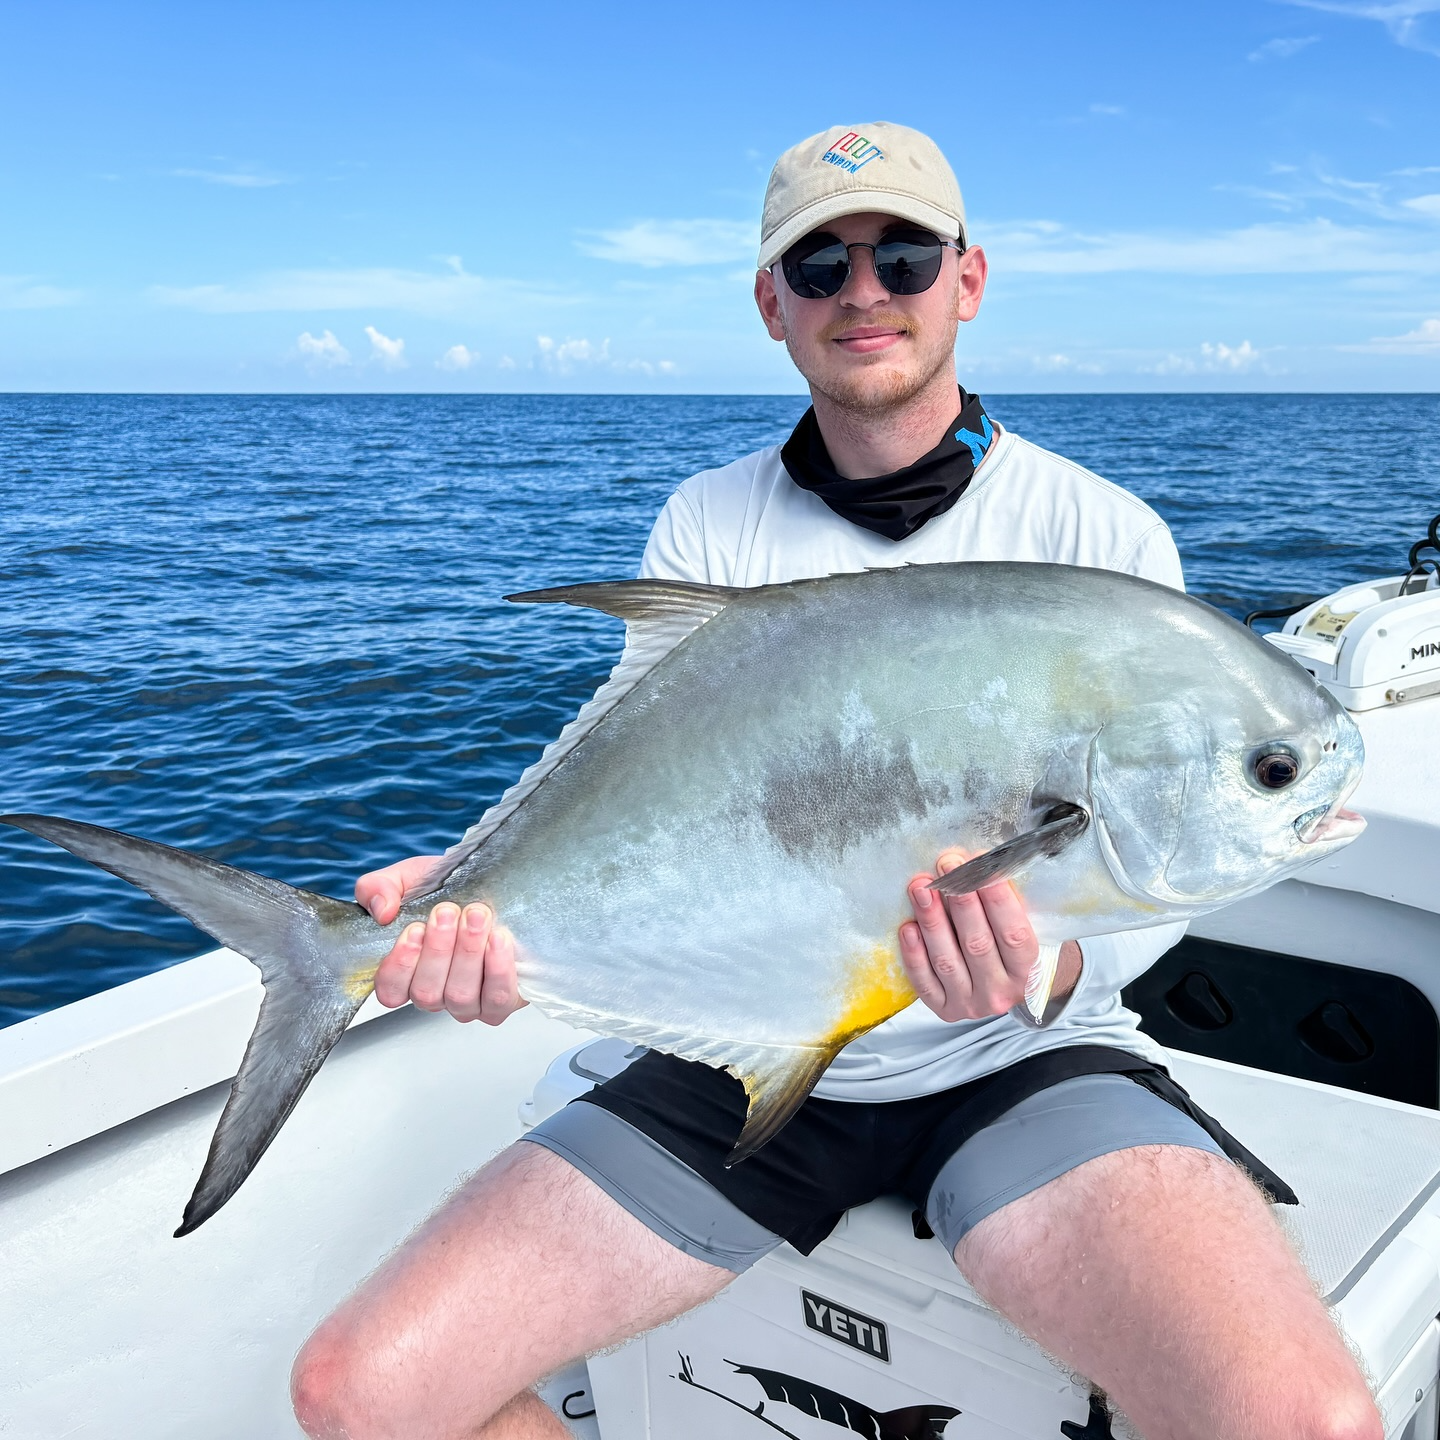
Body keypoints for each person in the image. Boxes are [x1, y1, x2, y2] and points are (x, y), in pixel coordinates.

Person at [291, 123, 1380, 1440]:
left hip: (1016, 1057)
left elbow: (1136, 893)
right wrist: (463, 902)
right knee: (359, 1395)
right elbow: (640, 777)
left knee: (1304, 1422)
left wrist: (1049, 971)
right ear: (773, 305)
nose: (866, 290)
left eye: (904, 255)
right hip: (736, 1045)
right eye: (820, 267)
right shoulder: (709, 524)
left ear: (966, 280)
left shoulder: (1102, 537)